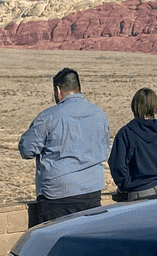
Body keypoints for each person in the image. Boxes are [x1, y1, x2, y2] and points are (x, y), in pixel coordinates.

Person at [17, 67, 110, 224]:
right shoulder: (99, 113)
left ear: (58, 90)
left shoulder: (49, 117)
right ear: (79, 88)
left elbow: (27, 150)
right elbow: (105, 146)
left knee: (57, 243)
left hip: (58, 195)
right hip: (92, 190)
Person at [108, 88, 157, 201]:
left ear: (134, 106)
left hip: (138, 193)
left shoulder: (126, 133)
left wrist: (126, 184)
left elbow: (118, 166)